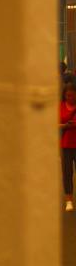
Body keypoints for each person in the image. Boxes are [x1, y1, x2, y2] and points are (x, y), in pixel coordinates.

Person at [61, 81, 76, 212]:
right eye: (67, 95)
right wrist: (66, 125)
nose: (70, 98)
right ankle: (69, 200)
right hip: (66, 144)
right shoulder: (60, 106)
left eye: (72, 95)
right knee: (67, 173)